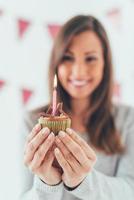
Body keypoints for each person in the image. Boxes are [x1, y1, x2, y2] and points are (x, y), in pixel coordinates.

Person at [19, 15, 134, 200]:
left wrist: (84, 181)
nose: (79, 71)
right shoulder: (32, 122)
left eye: (90, 58)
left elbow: (130, 191)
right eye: (67, 58)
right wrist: (47, 184)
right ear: (56, 62)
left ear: (105, 62)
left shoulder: (127, 119)